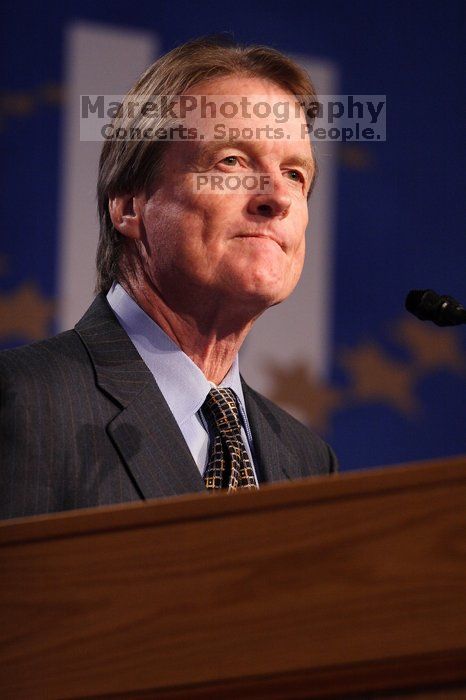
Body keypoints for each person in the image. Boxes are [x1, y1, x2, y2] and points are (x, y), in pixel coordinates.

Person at [0, 36, 337, 521]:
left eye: (294, 174)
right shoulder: (23, 404)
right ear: (130, 205)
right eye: (232, 161)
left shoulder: (308, 463)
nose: (277, 197)